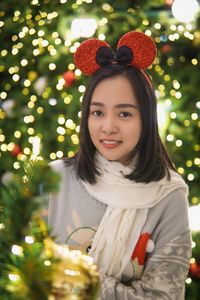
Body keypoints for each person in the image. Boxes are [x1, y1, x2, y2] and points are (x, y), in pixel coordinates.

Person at [48, 31, 192, 299]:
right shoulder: (53, 179)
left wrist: (79, 283)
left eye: (124, 113)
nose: (108, 127)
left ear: (146, 119)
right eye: (98, 112)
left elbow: (163, 296)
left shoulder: (168, 198)